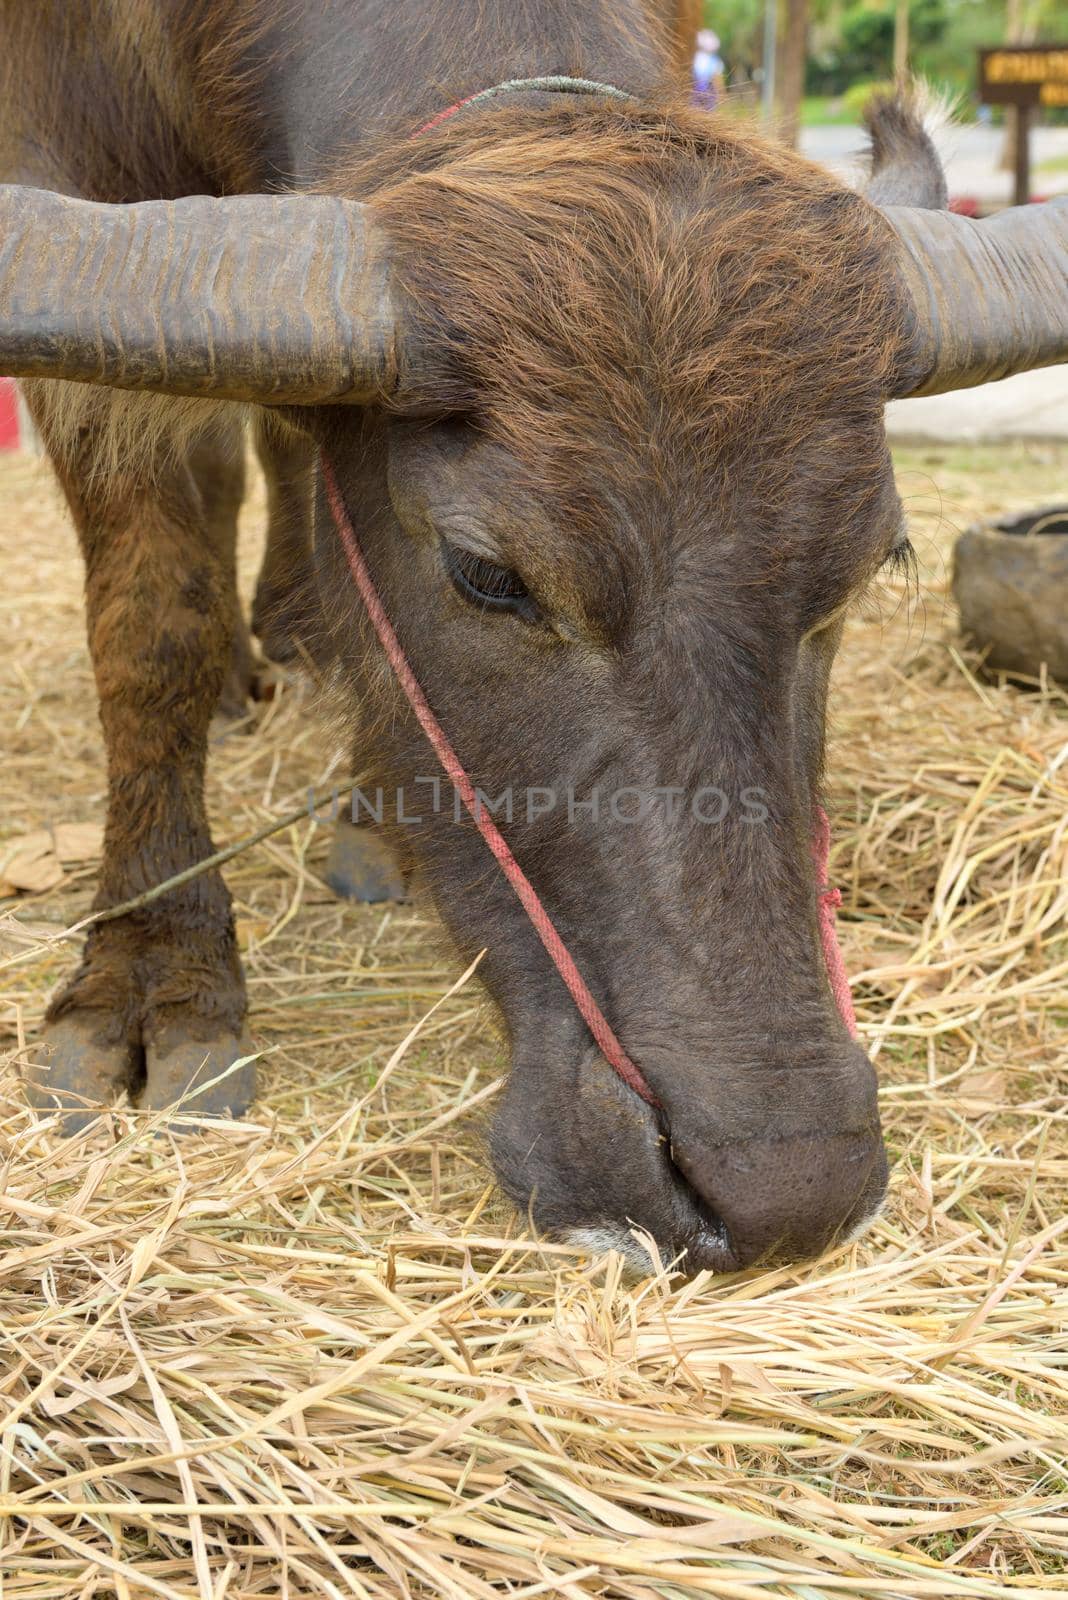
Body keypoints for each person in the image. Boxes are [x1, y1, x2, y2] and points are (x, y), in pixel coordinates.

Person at [692, 28, 725, 110]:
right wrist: (722, 93)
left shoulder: (696, 57)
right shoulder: (714, 60)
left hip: (695, 93)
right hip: (708, 93)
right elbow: (717, 79)